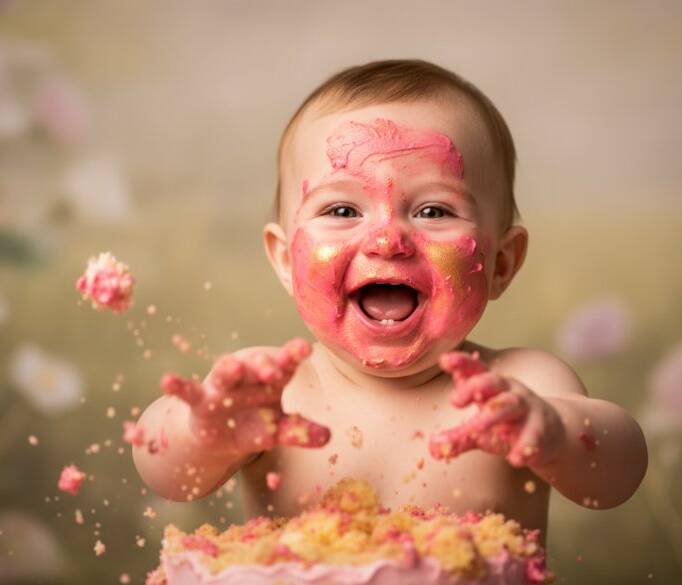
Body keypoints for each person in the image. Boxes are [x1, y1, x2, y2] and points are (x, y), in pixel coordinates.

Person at [132, 59, 648, 542]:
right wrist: (203, 433)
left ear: (501, 264)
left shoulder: (519, 388)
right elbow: (169, 476)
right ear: (286, 260)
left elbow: (616, 478)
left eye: (432, 211)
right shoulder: (273, 393)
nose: (387, 240)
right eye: (341, 209)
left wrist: (555, 434)